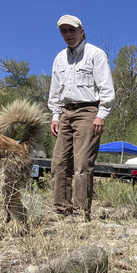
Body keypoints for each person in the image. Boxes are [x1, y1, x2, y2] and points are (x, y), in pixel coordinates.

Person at [47, 15, 115, 221]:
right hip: (65, 113)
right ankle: (61, 210)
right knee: (58, 163)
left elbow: (107, 89)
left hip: (88, 112)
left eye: (71, 30)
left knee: (82, 164)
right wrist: (55, 115)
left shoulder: (96, 54)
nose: (68, 34)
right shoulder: (59, 58)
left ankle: (80, 212)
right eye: (63, 31)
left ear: (81, 31)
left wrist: (101, 115)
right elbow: (55, 91)